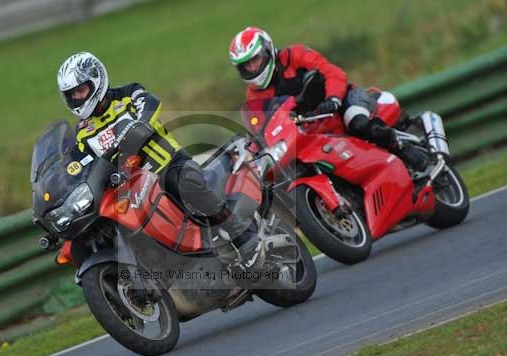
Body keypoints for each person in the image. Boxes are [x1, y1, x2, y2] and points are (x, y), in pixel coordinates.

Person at [56, 52, 263, 282]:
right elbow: (80, 165)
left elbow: (150, 103)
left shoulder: (127, 94)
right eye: (72, 95)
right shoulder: (83, 133)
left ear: (96, 81)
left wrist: (140, 122)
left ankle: (239, 232)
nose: (77, 98)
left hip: (166, 166)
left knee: (184, 182)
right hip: (128, 185)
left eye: (80, 91)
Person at [229, 27, 428, 172]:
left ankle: (403, 148)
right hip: (311, 122)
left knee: (357, 123)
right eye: (246, 65)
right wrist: (252, 149)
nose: (253, 68)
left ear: (266, 51)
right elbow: (262, 128)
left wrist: (333, 98)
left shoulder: (295, 55)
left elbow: (332, 72)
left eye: (254, 60)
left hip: (344, 99)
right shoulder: (254, 94)